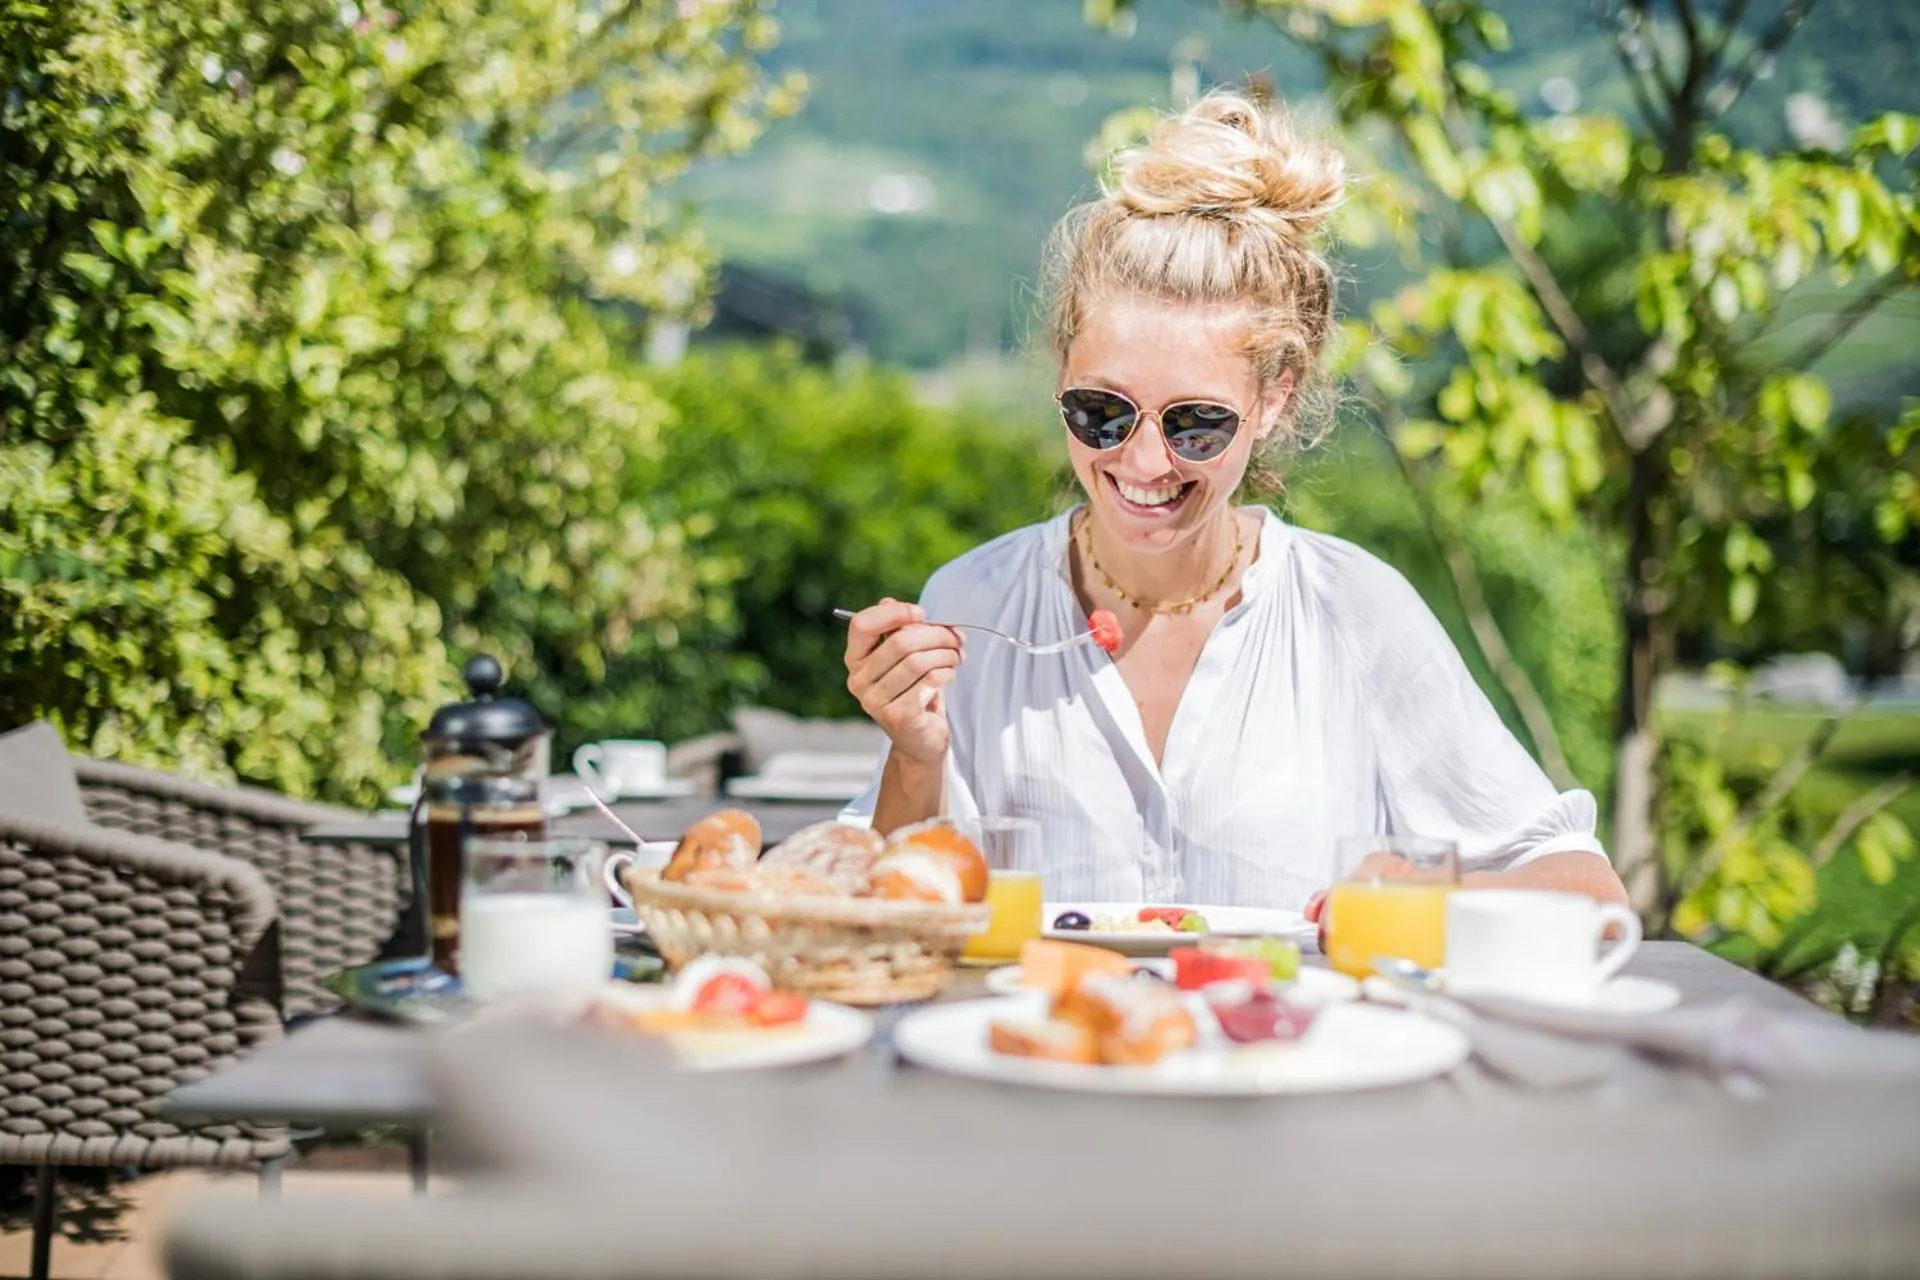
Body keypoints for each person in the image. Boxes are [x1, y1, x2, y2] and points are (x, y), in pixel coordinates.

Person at [841, 90, 1627, 916]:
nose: (1144, 461)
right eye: (1102, 411)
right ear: (1061, 378)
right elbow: (883, 906)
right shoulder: (974, 606)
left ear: (1274, 399)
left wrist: (1430, 893)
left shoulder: (1352, 612)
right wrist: (916, 757)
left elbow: (1586, 891)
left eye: (1196, 423)